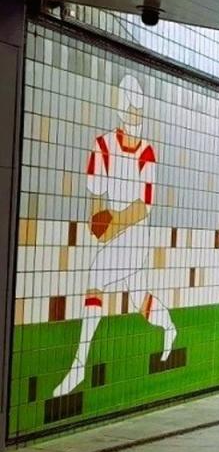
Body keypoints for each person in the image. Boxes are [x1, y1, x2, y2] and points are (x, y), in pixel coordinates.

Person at [54, 74, 177, 397]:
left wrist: (114, 227)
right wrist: (99, 224)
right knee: (139, 298)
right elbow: (95, 195)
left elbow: (144, 206)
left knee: (96, 279)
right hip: (116, 231)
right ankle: (170, 329)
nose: (137, 116)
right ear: (122, 109)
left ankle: (78, 365)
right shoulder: (102, 146)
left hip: (136, 234)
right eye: (132, 110)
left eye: (140, 110)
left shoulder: (147, 153)